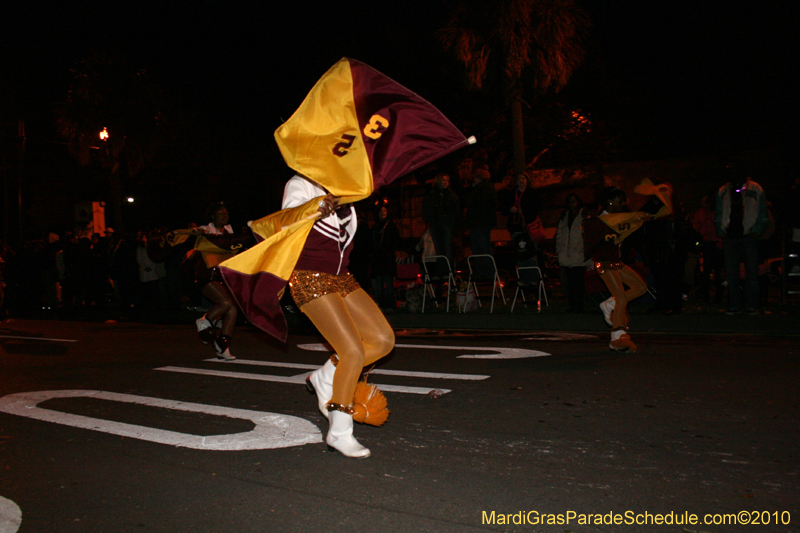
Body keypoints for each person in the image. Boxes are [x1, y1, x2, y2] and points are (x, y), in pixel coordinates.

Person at [284, 174, 395, 458]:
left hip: (341, 277)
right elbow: (288, 222)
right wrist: (316, 207)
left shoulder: (345, 188)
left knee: (383, 340)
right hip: (309, 276)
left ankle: (326, 376)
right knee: (353, 352)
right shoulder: (300, 185)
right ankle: (339, 431)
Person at [583, 186, 657, 353]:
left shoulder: (619, 217)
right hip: (604, 262)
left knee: (640, 287)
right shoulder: (602, 220)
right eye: (620, 200)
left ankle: (609, 303)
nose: (624, 203)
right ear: (610, 202)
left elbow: (633, 221)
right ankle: (617, 337)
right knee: (622, 297)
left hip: (616, 262)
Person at [193, 203, 251, 360]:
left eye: (226, 213)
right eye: (221, 214)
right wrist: (196, 232)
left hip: (222, 276)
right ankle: (205, 321)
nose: (225, 216)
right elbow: (198, 237)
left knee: (233, 308)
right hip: (206, 275)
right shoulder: (206, 229)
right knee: (225, 303)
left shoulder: (230, 231)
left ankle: (223, 346)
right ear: (213, 216)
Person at [714, 164, 768, 315]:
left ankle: (752, 305)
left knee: (751, 273)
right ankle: (734, 305)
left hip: (748, 235)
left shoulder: (755, 188)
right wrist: (721, 230)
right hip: (731, 236)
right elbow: (719, 213)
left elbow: (763, 212)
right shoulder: (724, 190)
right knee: (732, 273)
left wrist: (756, 230)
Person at [555, 193, 590, 313]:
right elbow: (559, 235)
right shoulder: (564, 216)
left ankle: (579, 306)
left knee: (578, 282)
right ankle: (573, 305)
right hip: (566, 255)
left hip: (579, 255)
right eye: (569, 202)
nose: (571, 204)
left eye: (573, 202)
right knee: (569, 283)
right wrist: (559, 249)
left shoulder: (584, 216)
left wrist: (586, 251)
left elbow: (589, 236)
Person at [463, 166, 497, 279]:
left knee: (480, 246)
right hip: (481, 222)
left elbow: (477, 204)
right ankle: (485, 270)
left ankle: (485, 270)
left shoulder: (482, 189)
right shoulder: (486, 188)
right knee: (481, 246)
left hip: (480, 223)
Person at [422, 173, 460, 269]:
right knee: (438, 249)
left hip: (447, 225)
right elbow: (426, 209)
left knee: (447, 248)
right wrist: (430, 220)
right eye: (443, 180)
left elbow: (456, 210)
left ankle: (448, 271)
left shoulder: (451, 195)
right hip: (436, 225)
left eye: (447, 180)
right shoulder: (432, 195)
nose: (445, 182)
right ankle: (441, 271)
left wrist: (450, 221)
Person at [369, 202, 400, 313]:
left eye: (384, 211)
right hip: (378, 258)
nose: (383, 213)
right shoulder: (375, 227)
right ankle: (382, 304)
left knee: (388, 281)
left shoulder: (391, 226)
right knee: (379, 282)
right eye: (381, 211)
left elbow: (396, 240)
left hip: (387, 258)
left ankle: (390, 305)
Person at [692, 194, 723, 302]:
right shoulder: (701, 213)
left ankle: (717, 295)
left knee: (717, 270)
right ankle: (706, 294)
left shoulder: (718, 212)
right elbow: (696, 227)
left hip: (717, 242)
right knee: (708, 269)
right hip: (708, 242)